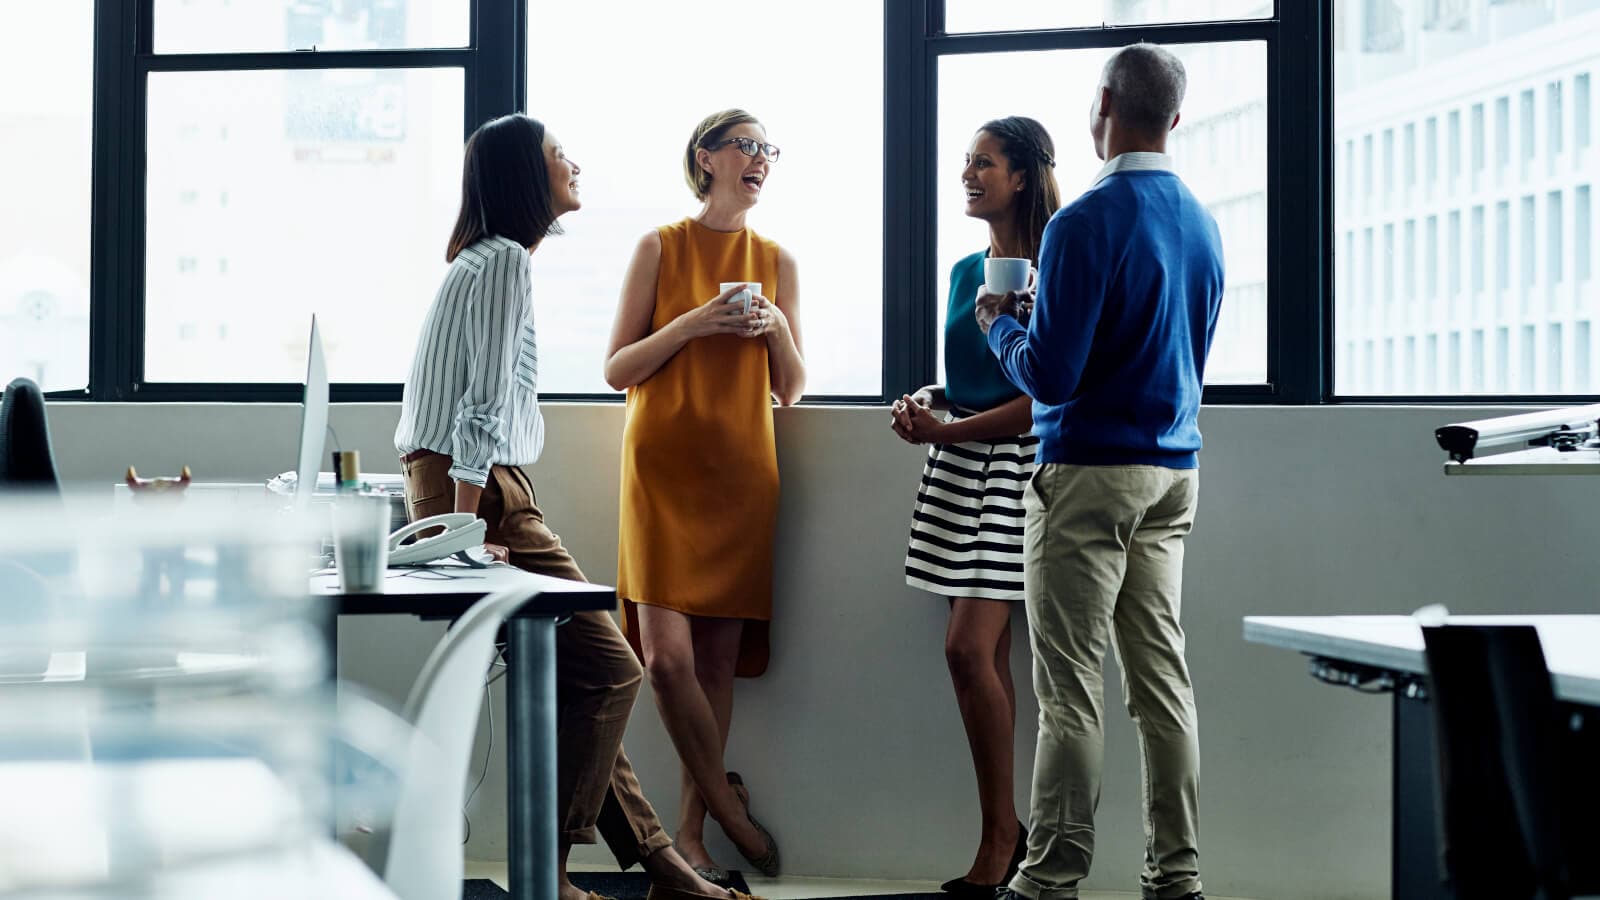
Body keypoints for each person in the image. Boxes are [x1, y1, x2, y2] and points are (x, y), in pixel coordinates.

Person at [394, 113, 755, 900]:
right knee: (611, 667)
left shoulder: (481, 262)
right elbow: (481, 410)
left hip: (480, 488)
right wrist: (464, 531)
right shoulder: (502, 269)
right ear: (529, 177)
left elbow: (456, 409)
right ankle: (552, 874)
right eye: (561, 157)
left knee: (582, 673)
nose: (575, 165)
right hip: (484, 496)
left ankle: (659, 862)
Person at [976, 45, 1224, 900]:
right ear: (1175, 118)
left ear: (1105, 106)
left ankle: (1048, 881)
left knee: (1070, 690)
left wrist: (1001, 323)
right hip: (1172, 474)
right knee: (1162, 682)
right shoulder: (1203, 221)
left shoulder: (1083, 222)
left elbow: (1051, 374)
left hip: (1085, 475)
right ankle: (1176, 878)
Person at [604, 108, 805, 882]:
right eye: (746, 146)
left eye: (768, 150)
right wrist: (694, 323)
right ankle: (728, 806)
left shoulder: (777, 259)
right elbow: (618, 369)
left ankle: (692, 835)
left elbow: (790, 389)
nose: (760, 160)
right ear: (706, 156)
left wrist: (773, 330)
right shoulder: (660, 245)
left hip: (741, 479)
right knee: (666, 661)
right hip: (661, 477)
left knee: (717, 670)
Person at [889, 116, 1061, 899]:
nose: (968, 173)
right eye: (965, 161)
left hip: (1018, 465)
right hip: (959, 464)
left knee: (969, 648)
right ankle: (1005, 831)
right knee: (976, 655)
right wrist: (927, 404)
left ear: (1022, 176)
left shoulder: (1056, 263)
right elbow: (967, 376)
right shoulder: (965, 272)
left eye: (983, 162)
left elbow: (1040, 399)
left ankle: (1004, 835)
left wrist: (948, 427)